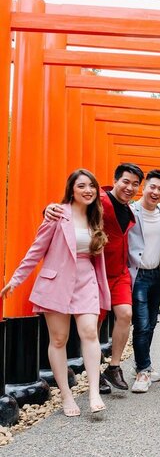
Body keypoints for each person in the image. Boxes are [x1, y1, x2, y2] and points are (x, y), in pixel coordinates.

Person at [1, 169, 110, 416]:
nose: (88, 190)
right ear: (71, 189)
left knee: (90, 332)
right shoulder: (57, 214)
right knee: (59, 339)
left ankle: (93, 391)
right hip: (58, 281)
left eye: (91, 186)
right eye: (81, 186)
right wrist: (16, 279)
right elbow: (36, 250)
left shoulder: (95, 217)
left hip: (86, 281)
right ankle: (67, 396)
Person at [45, 162, 144, 394]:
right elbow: (72, 204)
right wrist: (50, 208)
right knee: (93, 326)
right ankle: (95, 373)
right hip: (95, 272)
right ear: (115, 180)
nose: (129, 187)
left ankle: (114, 366)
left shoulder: (130, 210)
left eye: (135, 184)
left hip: (119, 272)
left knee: (126, 314)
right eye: (125, 181)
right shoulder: (98, 196)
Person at [128, 169, 160, 393]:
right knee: (141, 324)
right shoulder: (131, 211)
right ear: (144, 188)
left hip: (156, 274)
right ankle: (143, 370)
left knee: (151, 323)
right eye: (152, 187)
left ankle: (143, 363)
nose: (155, 192)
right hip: (139, 275)